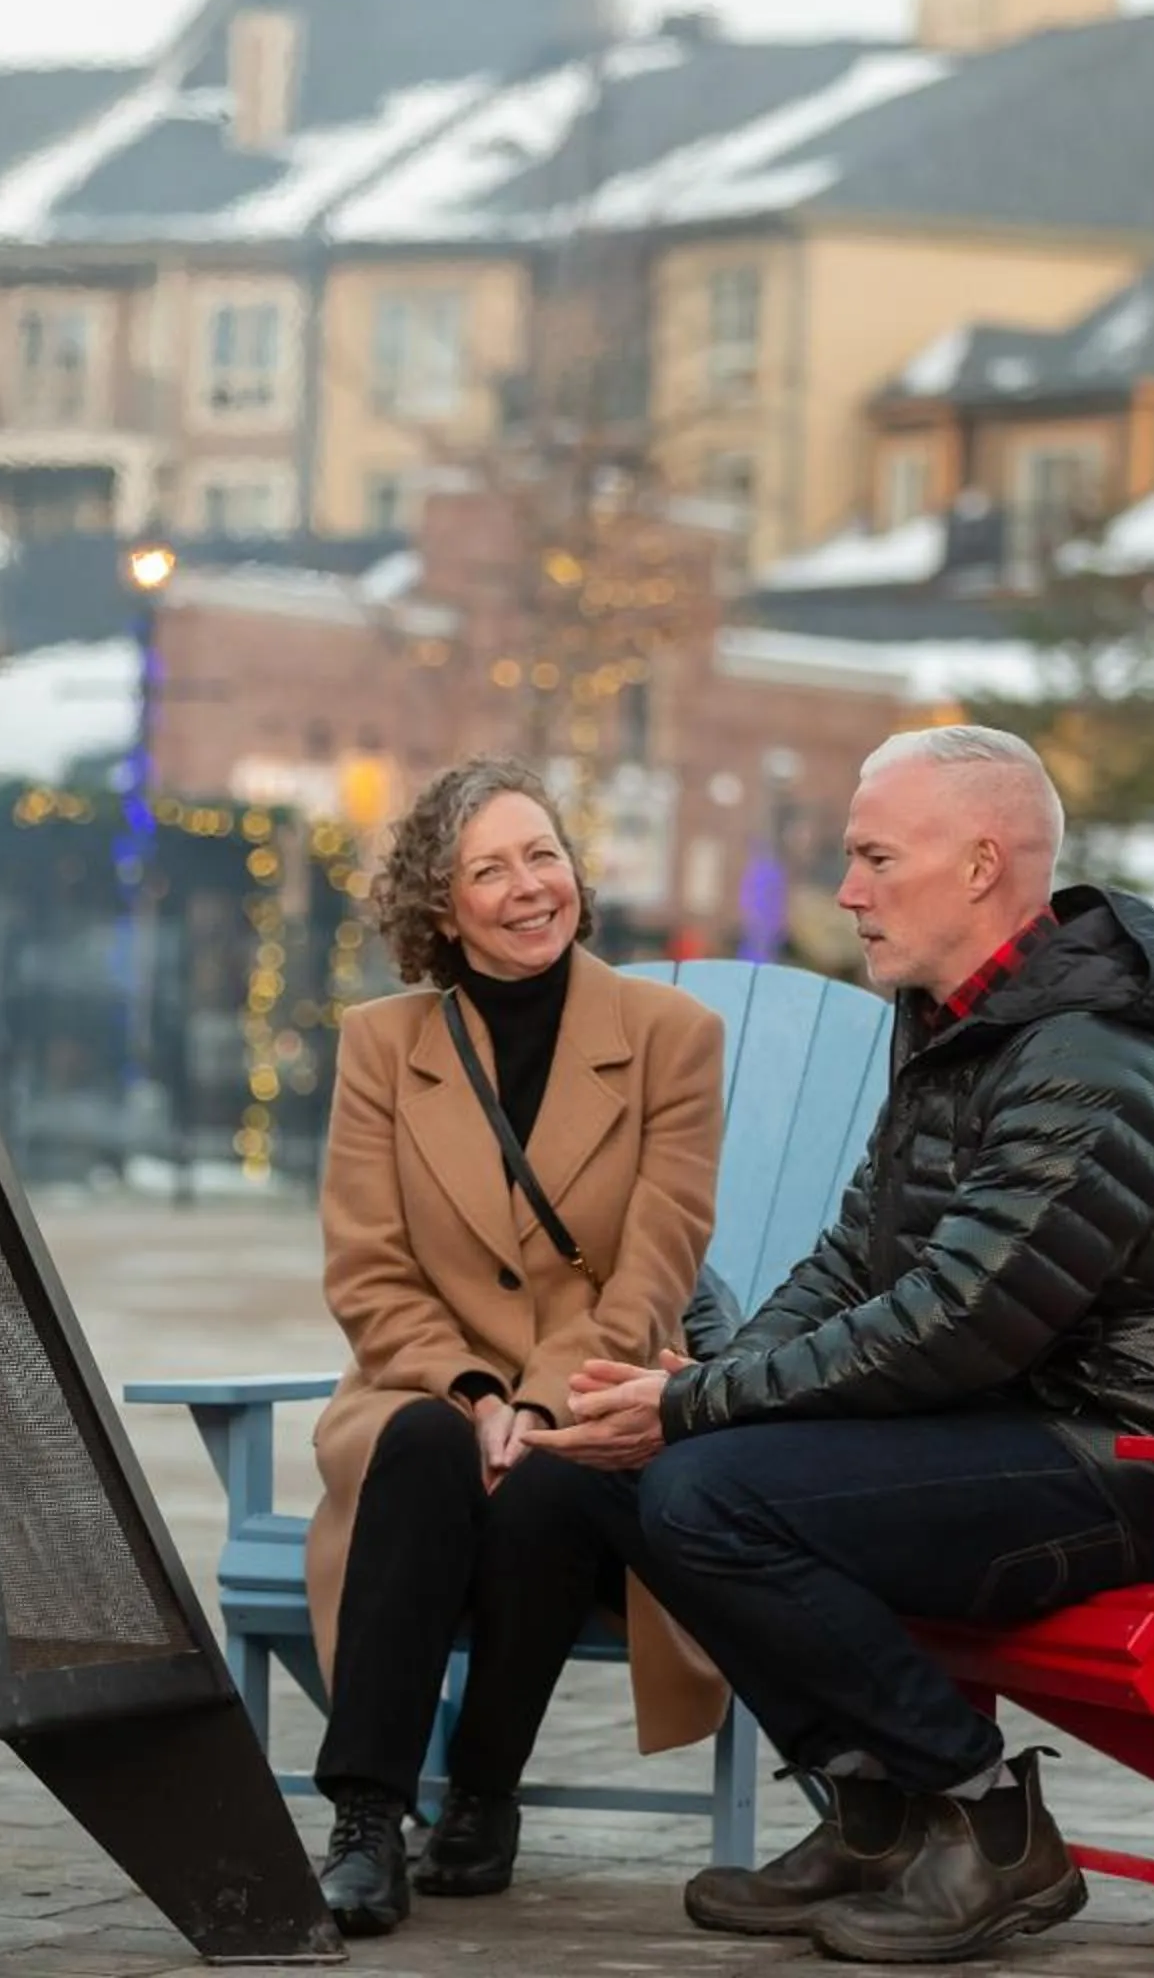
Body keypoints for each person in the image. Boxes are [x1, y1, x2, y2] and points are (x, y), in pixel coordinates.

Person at [522, 724, 1154, 1966]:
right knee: (618, 1473)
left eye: (876, 857)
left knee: (709, 1488)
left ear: (982, 864)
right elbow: (854, 1257)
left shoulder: (1095, 1052)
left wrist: (705, 1411)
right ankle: (876, 1813)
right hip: (1005, 1428)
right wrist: (695, 1385)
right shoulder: (958, 1023)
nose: (847, 891)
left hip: (1144, 1459)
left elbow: (962, 1315)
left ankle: (987, 1821)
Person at [305, 754, 727, 1938]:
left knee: (551, 1485)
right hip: (414, 1387)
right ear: (443, 907)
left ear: (577, 876)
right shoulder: (382, 1043)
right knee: (432, 1449)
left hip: (601, 1381)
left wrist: (541, 1405)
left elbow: (660, 1259)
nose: (528, 885)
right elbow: (367, 1266)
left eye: (544, 853)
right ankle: (370, 1815)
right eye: (489, 868)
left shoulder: (673, 1037)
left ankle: (485, 1791)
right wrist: (480, 1389)